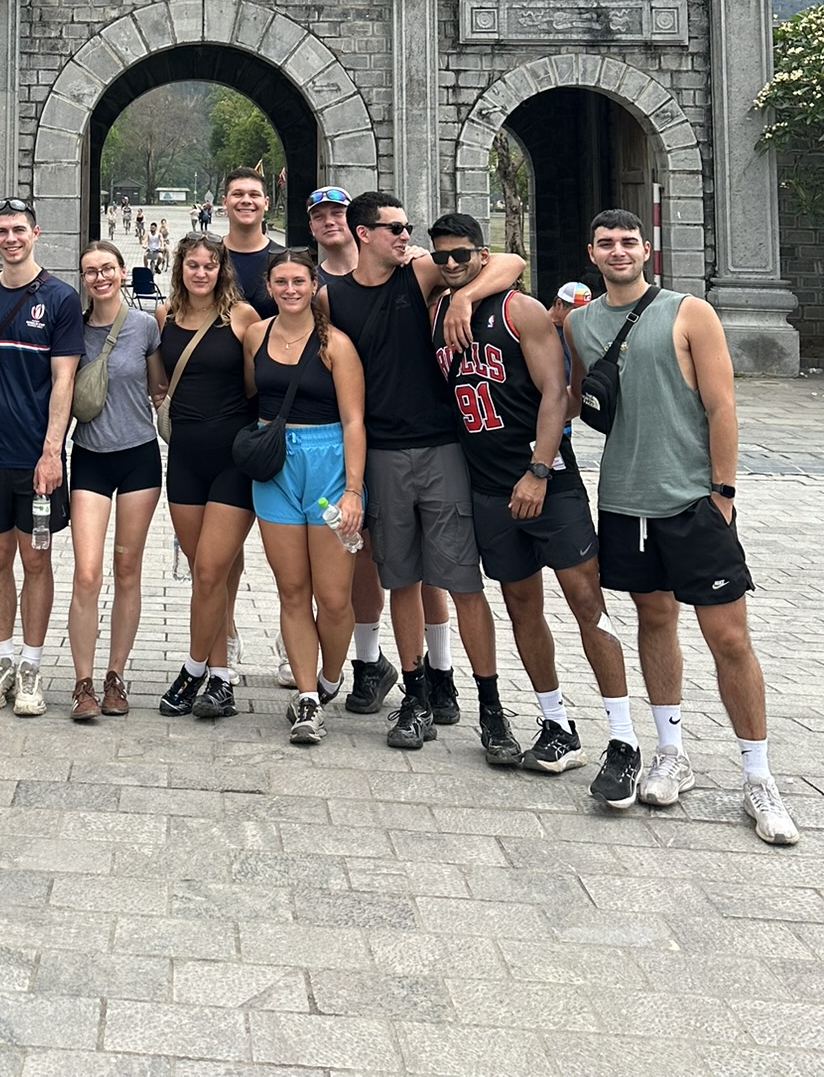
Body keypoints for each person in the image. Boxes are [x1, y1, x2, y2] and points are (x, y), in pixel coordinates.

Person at [568, 209, 800, 845]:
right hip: (623, 497)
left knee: (729, 637)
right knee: (653, 618)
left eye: (628, 242)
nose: (619, 251)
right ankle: (671, 751)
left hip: (693, 500)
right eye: (606, 243)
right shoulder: (581, 324)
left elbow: (721, 403)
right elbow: (575, 397)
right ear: (591, 252)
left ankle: (760, 777)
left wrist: (723, 492)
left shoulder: (688, 311)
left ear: (648, 249)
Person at [427, 214, 641, 805]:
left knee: (586, 606)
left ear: (481, 253)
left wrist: (540, 470)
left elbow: (557, 393)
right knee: (522, 607)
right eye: (441, 256)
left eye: (462, 255)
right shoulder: (439, 312)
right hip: (488, 486)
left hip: (547, 483)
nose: (450, 264)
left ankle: (622, 738)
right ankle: (556, 723)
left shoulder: (517, 310)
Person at [323, 192, 524, 761]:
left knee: (461, 581)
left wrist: (466, 298)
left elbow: (507, 262)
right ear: (363, 234)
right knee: (401, 581)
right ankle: (413, 696)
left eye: (407, 227)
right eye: (395, 228)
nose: (405, 235)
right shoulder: (329, 297)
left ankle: (489, 706)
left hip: (441, 448)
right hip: (381, 453)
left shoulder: (420, 275)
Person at [0, 198, 84, 718]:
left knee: (36, 559)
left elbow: (64, 380)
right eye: (1, 231)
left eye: (18, 230)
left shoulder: (60, 299)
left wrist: (52, 451)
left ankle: (32, 665)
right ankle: (2, 657)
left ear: (36, 233)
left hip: (37, 461)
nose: (10, 239)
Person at [244, 248, 365, 746]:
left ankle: (331, 675)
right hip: (276, 466)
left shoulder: (336, 344)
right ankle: (308, 696)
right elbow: (253, 391)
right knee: (292, 590)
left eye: (299, 281)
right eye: (281, 281)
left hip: (328, 466)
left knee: (334, 597)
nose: (290, 289)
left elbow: (355, 420)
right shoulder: (256, 334)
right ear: (269, 286)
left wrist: (354, 490)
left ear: (313, 285)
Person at [156, 233, 260, 720]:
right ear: (181, 269)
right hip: (184, 460)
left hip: (232, 458)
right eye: (193, 265)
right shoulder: (165, 318)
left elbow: (256, 384)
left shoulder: (242, 318)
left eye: (210, 265)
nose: (201, 273)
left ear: (223, 270)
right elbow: (159, 383)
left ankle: (198, 670)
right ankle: (220, 676)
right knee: (204, 577)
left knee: (211, 570)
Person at [66, 240, 165, 720]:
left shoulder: (146, 326)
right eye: (90, 271)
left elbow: (161, 388)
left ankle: (115, 675)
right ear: (82, 278)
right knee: (87, 572)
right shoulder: (72, 329)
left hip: (140, 458)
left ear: (123, 272)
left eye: (107, 268)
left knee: (128, 570)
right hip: (89, 457)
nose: (99, 277)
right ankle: (82, 680)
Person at [220, 168, 275, 315]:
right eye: (237, 194)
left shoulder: (283, 259)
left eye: (254, 195)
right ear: (225, 202)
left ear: (266, 203)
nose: (246, 200)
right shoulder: (209, 257)